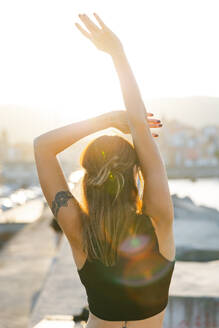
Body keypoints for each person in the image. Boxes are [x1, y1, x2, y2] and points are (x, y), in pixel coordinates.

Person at [33, 12, 175, 328]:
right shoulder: (158, 219)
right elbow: (139, 125)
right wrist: (118, 54)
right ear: (135, 174)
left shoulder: (79, 231)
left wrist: (105, 119)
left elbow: (42, 146)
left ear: (88, 176)